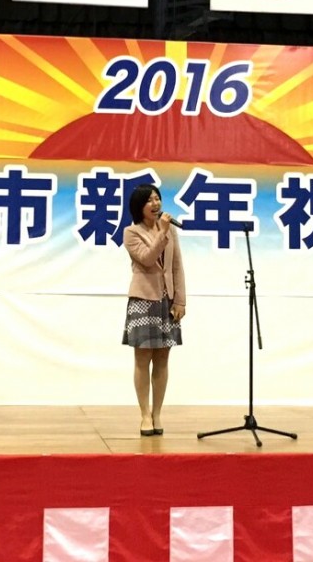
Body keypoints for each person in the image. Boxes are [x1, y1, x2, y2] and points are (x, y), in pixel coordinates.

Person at [122, 184, 186, 437]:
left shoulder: (170, 231)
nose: (155, 203)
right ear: (139, 206)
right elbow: (148, 259)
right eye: (149, 200)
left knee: (162, 358)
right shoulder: (131, 232)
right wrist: (162, 233)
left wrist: (180, 300)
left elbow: (177, 266)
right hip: (143, 300)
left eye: (157, 198)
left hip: (166, 300)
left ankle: (157, 413)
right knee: (142, 359)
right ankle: (144, 415)